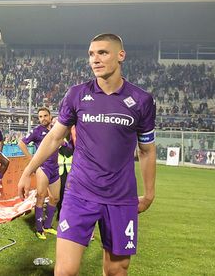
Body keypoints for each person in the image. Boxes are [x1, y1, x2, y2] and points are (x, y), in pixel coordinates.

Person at [17, 33, 156, 276]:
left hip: (121, 198)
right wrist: (28, 170)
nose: (95, 59)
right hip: (80, 194)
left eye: (102, 52)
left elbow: (146, 150)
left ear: (120, 55)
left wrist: (150, 194)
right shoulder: (77, 94)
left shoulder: (142, 100)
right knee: (65, 271)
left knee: (116, 271)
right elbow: (54, 137)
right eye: (91, 54)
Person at [21, 107, 67, 240]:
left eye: (45, 116)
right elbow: (21, 143)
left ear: (50, 116)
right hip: (43, 168)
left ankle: (47, 226)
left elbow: (65, 144)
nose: (43, 119)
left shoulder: (56, 131)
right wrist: (32, 161)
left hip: (54, 168)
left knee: (55, 198)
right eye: (40, 116)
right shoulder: (36, 131)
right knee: (41, 196)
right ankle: (39, 229)